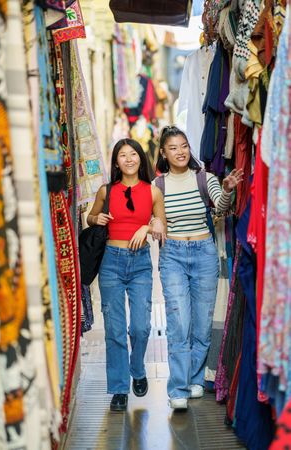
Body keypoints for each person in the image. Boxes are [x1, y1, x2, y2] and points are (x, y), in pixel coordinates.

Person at [155, 126, 243, 410]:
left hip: (204, 252)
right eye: (173, 148)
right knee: (179, 321)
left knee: (203, 323)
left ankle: (194, 378)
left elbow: (220, 207)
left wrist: (227, 189)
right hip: (173, 256)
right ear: (163, 153)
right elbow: (150, 219)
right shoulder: (157, 186)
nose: (180, 152)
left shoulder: (206, 178)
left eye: (184, 146)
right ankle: (177, 388)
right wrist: (152, 224)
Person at [88, 138, 166, 412]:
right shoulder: (105, 190)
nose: (129, 159)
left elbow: (161, 226)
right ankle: (120, 389)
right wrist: (95, 219)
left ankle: (137, 368)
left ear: (141, 159)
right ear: (116, 161)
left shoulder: (153, 191)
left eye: (133, 154)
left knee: (141, 327)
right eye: (123, 155)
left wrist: (148, 227)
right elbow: (91, 218)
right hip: (110, 262)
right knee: (115, 329)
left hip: (140, 263)